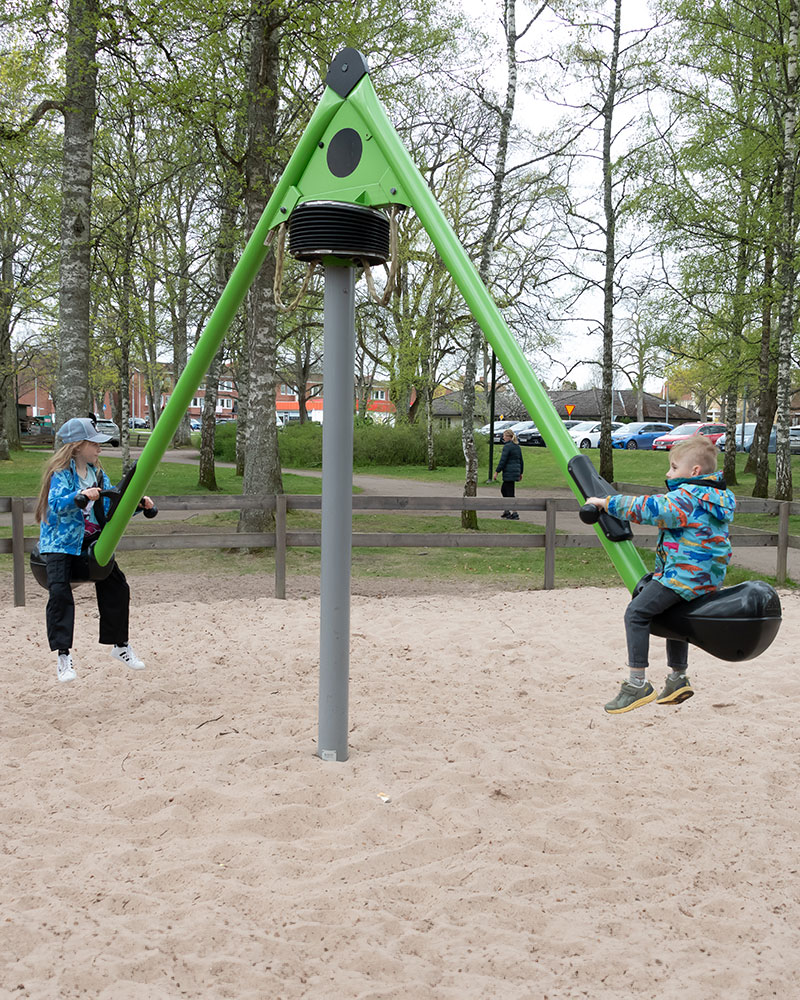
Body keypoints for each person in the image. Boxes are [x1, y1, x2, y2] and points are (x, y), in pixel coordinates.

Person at [585, 435, 735, 714]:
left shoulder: (686, 498)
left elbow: (650, 509)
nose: (668, 473)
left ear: (694, 472)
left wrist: (607, 503)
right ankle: (678, 678)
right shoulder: (716, 498)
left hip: (684, 575)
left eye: (674, 467)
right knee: (674, 620)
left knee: (636, 613)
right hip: (708, 579)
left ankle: (637, 683)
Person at [35, 416, 154, 684]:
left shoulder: (98, 474)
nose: (99, 449)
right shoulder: (61, 474)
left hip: (89, 542)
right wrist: (79, 497)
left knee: (117, 585)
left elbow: (111, 506)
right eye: (94, 444)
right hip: (60, 544)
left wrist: (137, 505)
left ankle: (119, 645)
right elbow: (55, 504)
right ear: (77, 446)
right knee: (59, 594)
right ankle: (63, 656)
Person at [493, 428, 524, 519]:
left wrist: (497, 471)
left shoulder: (507, 447)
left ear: (508, 437)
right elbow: (521, 461)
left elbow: (503, 460)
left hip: (509, 472)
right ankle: (507, 510)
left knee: (509, 492)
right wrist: (520, 472)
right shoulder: (517, 446)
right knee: (504, 490)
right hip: (515, 472)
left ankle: (515, 513)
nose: (503, 438)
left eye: (504, 436)